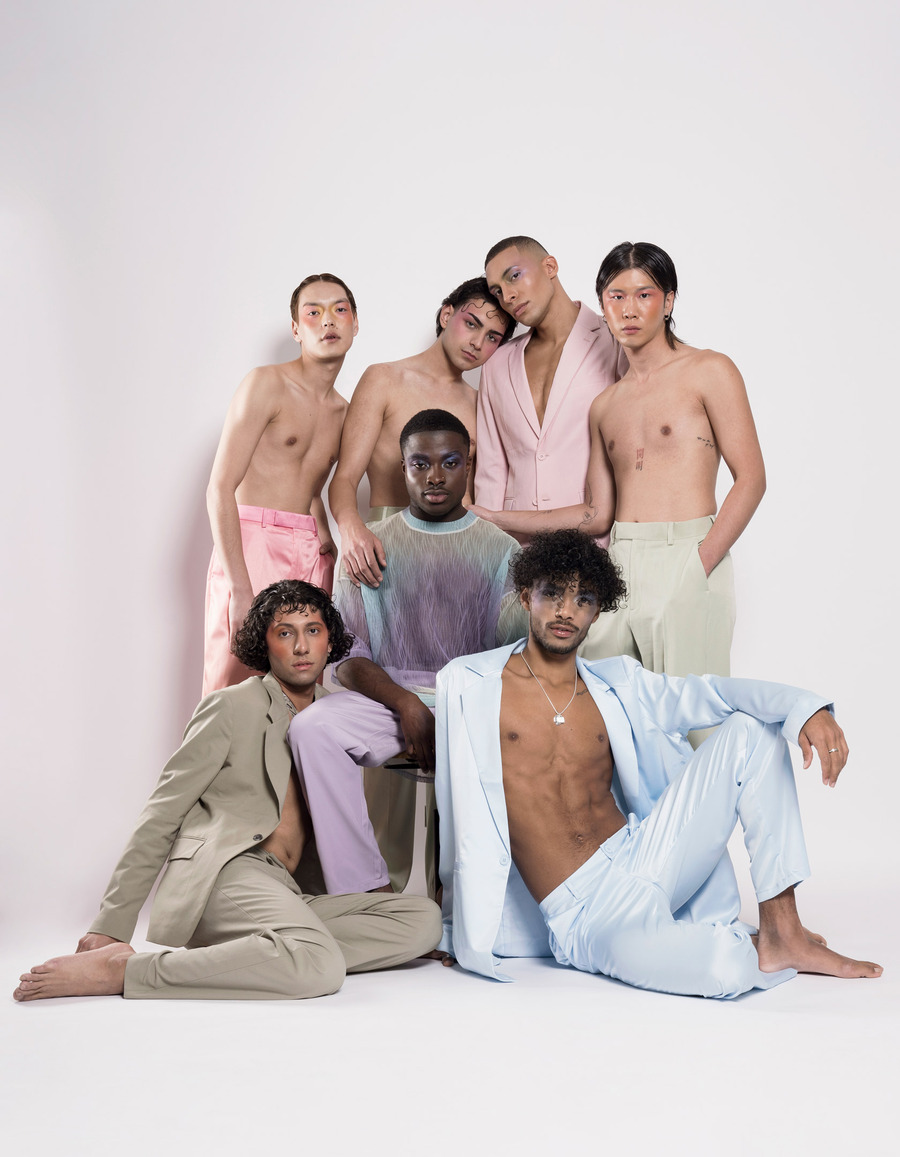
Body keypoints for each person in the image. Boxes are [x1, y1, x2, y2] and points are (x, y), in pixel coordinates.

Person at [434, 530, 881, 998]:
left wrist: (806, 708)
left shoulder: (618, 683)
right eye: (553, 595)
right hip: (586, 913)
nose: (566, 611)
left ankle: (783, 931)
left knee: (754, 729)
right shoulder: (469, 683)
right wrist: (452, 925)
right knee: (726, 970)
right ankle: (720, 942)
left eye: (583, 600)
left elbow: (713, 692)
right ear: (527, 596)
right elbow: (455, 807)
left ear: (597, 612)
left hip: (646, 853)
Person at [13, 581, 441, 1003]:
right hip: (230, 872)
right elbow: (162, 814)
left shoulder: (340, 719)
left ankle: (258, 955)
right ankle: (125, 971)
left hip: (290, 890)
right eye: (285, 633)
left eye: (313, 630)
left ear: (330, 642)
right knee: (318, 966)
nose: (301, 646)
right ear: (264, 645)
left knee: (423, 921)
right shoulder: (232, 706)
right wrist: (111, 926)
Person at [473, 242, 764, 680]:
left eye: (644, 295)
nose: (629, 310)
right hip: (618, 558)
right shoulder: (605, 405)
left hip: (686, 551)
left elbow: (752, 478)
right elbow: (596, 514)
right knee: (607, 705)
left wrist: (699, 565)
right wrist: (494, 517)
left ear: (668, 301)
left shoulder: (710, 370)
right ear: (603, 306)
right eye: (616, 297)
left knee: (689, 710)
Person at [289, 409, 527, 897]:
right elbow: (347, 657)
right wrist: (406, 703)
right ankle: (364, 893)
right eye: (420, 464)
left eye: (449, 462)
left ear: (468, 465)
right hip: (391, 702)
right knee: (311, 728)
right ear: (403, 468)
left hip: (474, 705)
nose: (435, 476)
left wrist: (457, 707)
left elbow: (514, 656)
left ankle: (467, 901)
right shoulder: (369, 548)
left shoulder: (503, 551)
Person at [202, 273, 357, 695]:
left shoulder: (345, 413)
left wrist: (324, 530)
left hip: (310, 553)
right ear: (296, 329)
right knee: (231, 684)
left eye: (340, 309)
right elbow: (220, 487)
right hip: (253, 543)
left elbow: (310, 484)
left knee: (301, 692)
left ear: (355, 323)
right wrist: (239, 586)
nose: (329, 320)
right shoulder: (266, 383)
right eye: (314, 312)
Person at [328, 277, 514, 589]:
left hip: (455, 557)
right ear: (447, 315)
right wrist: (350, 531)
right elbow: (344, 478)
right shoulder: (384, 379)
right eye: (471, 324)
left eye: (492, 337)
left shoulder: (480, 404)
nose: (477, 343)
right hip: (381, 550)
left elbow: (470, 498)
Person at [474, 236, 627, 540]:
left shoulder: (615, 341)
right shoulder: (496, 364)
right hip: (517, 549)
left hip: (593, 546)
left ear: (550, 267)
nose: (508, 296)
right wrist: (487, 551)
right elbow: (491, 471)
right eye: (497, 291)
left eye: (514, 276)